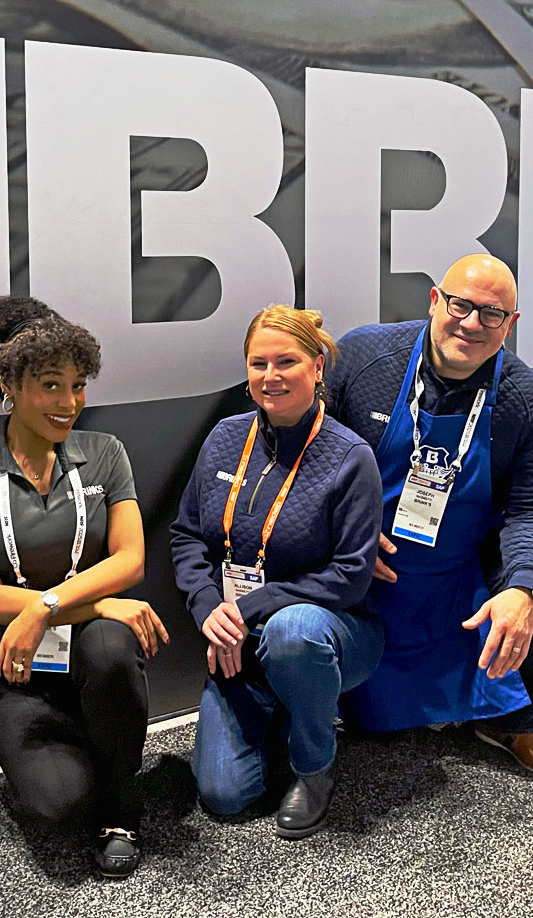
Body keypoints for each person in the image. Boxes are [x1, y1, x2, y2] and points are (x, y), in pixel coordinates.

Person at [0, 297, 168, 878]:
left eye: (78, 385)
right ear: (9, 383)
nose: (68, 404)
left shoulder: (104, 453)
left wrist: (49, 605)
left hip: (86, 649)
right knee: (61, 805)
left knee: (113, 645)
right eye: (50, 385)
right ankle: (78, 763)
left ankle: (120, 813)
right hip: (10, 665)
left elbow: (131, 559)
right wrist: (96, 601)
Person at [326, 254, 533, 780]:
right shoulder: (364, 355)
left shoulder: (528, 400)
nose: (471, 323)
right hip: (368, 544)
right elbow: (310, 449)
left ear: (511, 324)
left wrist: (524, 588)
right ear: (434, 301)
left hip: (469, 547)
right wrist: (345, 529)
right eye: (460, 304)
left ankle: (514, 719)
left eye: (492, 314)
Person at [171, 305, 384, 839]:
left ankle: (315, 767)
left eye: (286, 361)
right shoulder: (223, 437)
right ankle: (291, 708)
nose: (271, 376)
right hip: (236, 638)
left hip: (332, 634)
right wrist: (207, 607)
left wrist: (246, 608)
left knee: (294, 634)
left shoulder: (349, 457)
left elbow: (352, 574)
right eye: (258, 363)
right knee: (224, 795)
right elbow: (187, 536)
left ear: (317, 367)